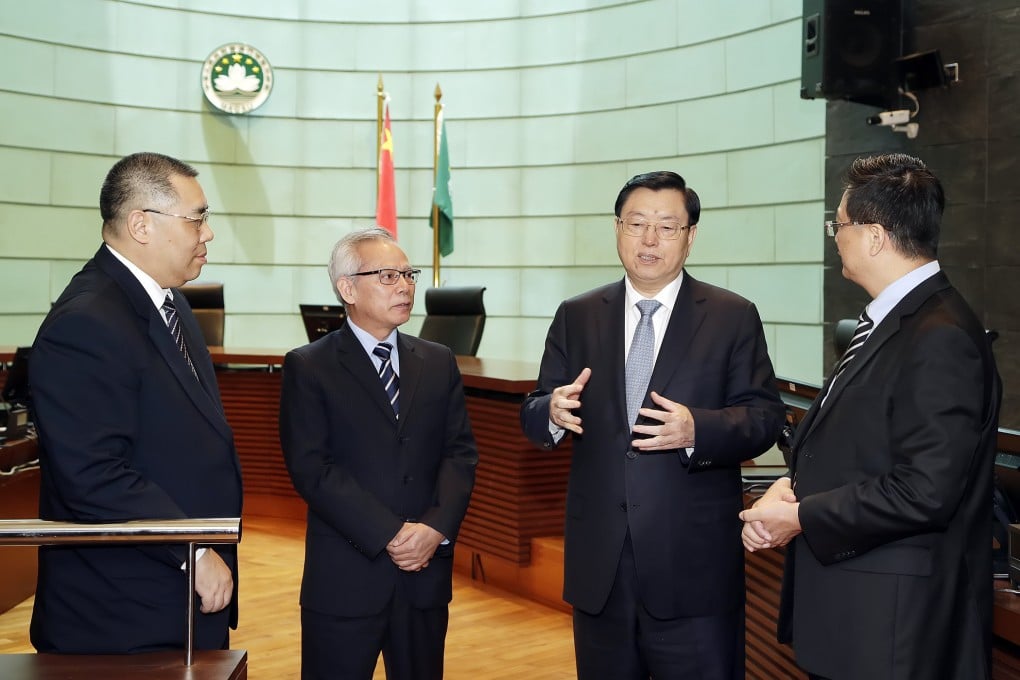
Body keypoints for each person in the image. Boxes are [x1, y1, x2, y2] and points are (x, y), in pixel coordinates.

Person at [740, 153, 1001, 679]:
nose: (835, 237)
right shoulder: (894, 322)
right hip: (861, 617)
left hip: (894, 633)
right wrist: (789, 490)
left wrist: (801, 516)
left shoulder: (940, 336)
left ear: (875, 236)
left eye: (838, 226)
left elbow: (925, 490)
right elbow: (857, 449)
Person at [520, 171, 786, 679]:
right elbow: (534, 410)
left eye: (666, 226)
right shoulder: (577, 315)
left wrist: (697, 430)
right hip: (601, 566)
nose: (649, 239)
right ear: (617, 228)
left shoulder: (732, 316)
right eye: (636, 223)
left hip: (693, 568)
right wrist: (549, 413)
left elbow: (764, 417)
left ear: (691, 236)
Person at [28, 151, 243, 653]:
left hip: (173, 597)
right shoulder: (86, 322)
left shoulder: (172, 304)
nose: (207, 233)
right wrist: (191, 552)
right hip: (121, 613)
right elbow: (92, 473)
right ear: (141, 225)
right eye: (198, 218)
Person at [280, 227, 478, 680]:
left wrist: (434, 528)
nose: (406, 286)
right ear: (347, 288)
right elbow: (312, 469)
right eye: (388, 276)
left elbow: (459, 453)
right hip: (346, 578)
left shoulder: (438, 360)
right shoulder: (309, 365)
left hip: (424, 575)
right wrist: (390, 533)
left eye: (408, 274)